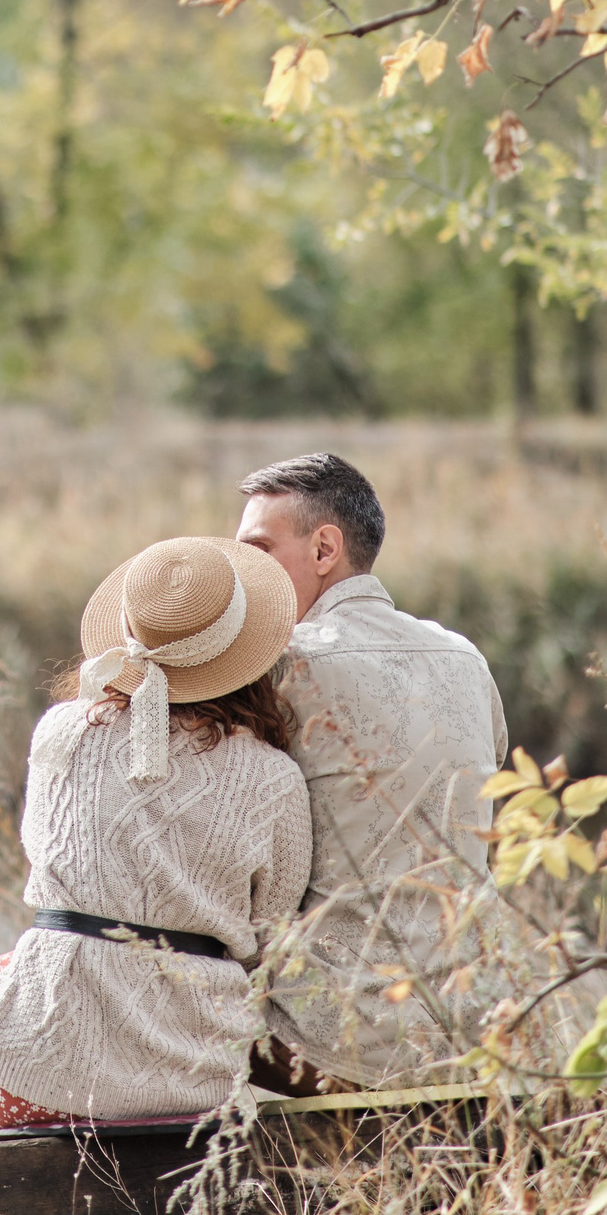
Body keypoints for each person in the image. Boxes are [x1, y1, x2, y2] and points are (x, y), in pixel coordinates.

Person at [0, 535, 309, 1147]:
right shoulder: (273, 777)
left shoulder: (62, 733)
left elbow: (46, 868)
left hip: (35, 1074)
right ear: (245, 653)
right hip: (194, 1084)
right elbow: (271, 936)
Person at [233, 452, 509, 1089]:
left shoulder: (283, 665)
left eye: (258, 551)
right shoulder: (466, 658)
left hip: (336, 1040)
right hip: (473, 1020)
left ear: (325, 548)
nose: (244, 575)